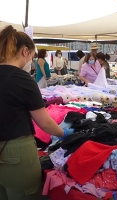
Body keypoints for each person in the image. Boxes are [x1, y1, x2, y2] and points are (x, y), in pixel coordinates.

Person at [0, 25, 70, 200]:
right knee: (26, 194)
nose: (30, 59)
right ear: (25, 51)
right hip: (15, 149)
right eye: (31, 55)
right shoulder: (21, 79)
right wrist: (64, 133)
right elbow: (44, 123)